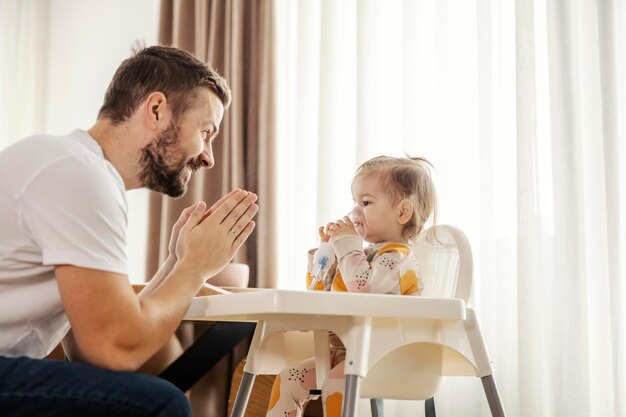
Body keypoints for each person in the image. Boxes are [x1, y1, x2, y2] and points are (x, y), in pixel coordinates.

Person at [0, 45, 258, 417]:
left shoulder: (73, 168)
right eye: (206, 132)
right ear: (156, 110)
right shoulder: (80, 177)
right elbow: (114, 349)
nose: (209, 156)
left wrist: (176, 263)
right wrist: (195, 268)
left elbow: (93, 349)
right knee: (159, 403)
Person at [265, 156, 437, 417]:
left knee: (335, 381)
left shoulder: (399, 257)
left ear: (402, 212)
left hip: (387, 356)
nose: (355, 212)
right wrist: (328, 250)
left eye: (365, 203)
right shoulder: (359, 256)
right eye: (355, 203)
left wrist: (347, 247)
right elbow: (317, 293)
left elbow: (363, 288)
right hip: (347, 352)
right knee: (289, 378)